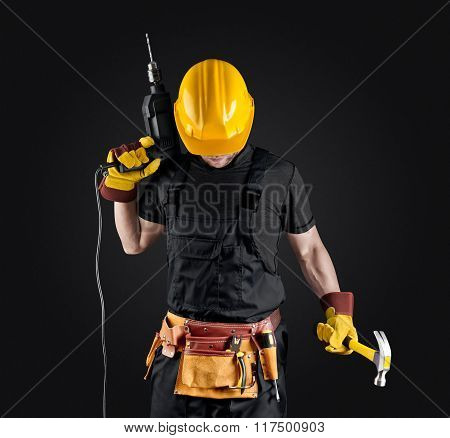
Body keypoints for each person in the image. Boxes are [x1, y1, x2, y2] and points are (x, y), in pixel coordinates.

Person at [99, 59, 358, 417]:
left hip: (257, 360)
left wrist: (338, 312)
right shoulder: (169, 175)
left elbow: (310, 251)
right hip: (180, 359)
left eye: (226, 142)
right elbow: (135, 242)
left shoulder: (279, 175)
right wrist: (122, 188)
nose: (218, 152)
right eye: (207, 144)